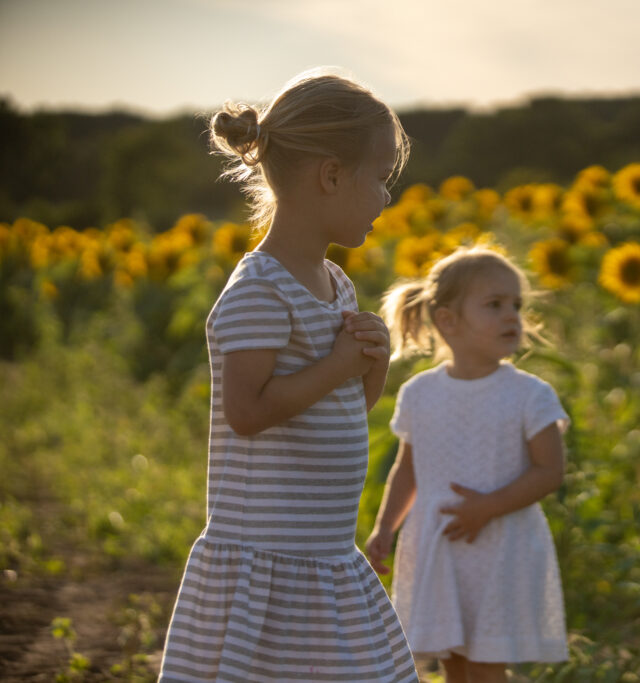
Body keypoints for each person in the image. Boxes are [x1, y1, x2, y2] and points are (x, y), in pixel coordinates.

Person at [158, 68, 418, 682]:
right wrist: (338, 364)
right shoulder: (259, 291)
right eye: (381, 179)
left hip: (324, 551)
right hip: (269, 558)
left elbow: (344, 405)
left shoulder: (336, 285)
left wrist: (372, 363)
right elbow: (247, 412)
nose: (386, 198)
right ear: (331, 176)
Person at [366, 245, 570, 683]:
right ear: (448, 320)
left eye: (516, 305)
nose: (511, 316)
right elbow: (408, 469)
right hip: (439, 545)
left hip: (500, 546)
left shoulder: (530, 394)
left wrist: (488, 507)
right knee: (453, 662)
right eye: (494, 305)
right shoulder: (419, 393)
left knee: (486, 665)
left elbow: (549, 471)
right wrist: (386, 527)